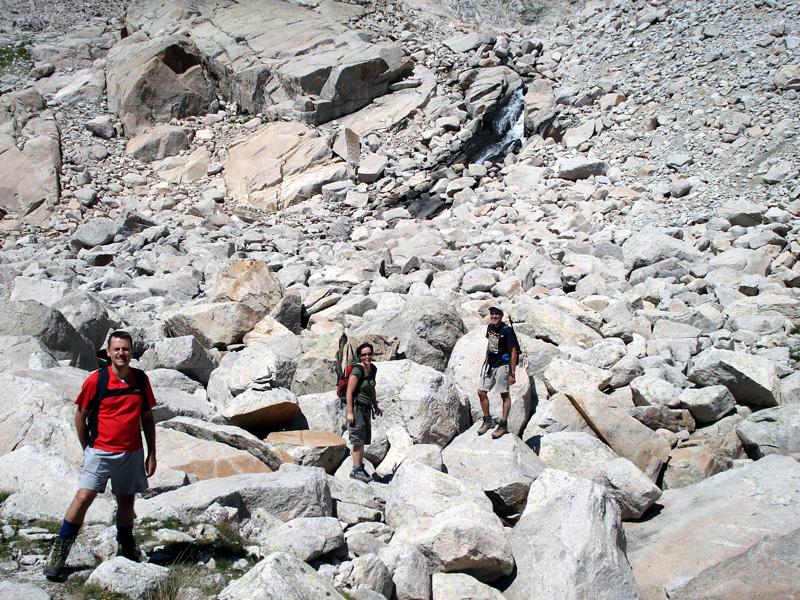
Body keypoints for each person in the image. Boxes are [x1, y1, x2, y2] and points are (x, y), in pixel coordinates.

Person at [44, 330, 157, 580]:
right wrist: (88, 448)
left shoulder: (141, 380)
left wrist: (152, 453)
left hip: (132, 452)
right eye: (116, 349)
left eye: (125, 349)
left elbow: (147, 417)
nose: (121, 353)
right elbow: (80, 416)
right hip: (101, 451)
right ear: (108, 352)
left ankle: (126, 548)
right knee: (84, 497)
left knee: (127, 501)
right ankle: (59, 554)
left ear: (132, 352)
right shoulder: (97, 380)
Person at [477, 306, 519, 439]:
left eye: (497, 314)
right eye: (492, 314)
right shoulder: (490, 327)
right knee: (481, 392)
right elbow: (490, 343)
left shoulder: (507, 331)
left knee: (504, 394)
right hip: (491, 364)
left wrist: (512, 373)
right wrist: (486, 358)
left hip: (503, 365)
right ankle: (488, 420)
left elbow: (513, 351)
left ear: (501, 316)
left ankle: (503, 424)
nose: (494, 316)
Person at [345, 342, 382, 483]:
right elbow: (349, 392)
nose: (367, 356)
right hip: (356, 408)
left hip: (366, 408)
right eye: (364, 354)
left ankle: (360, 467)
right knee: (358, 440)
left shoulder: (372, 369)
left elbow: (372, 389)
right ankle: (356, 469)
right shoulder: (357, 370)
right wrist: (350, 413)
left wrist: (376, 406)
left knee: (363, 439)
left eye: (369, 354)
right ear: (360, 356)